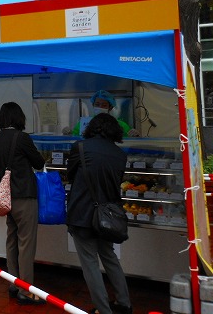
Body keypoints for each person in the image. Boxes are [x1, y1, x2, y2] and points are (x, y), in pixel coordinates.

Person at [66, 113, 132, 314]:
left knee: (90, 264)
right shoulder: (120, 155)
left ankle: (103, 310)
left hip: (82, 214)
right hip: (107, 216)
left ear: (92, 128)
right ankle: (124, 303)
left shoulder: (80, 147)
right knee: (109, 256)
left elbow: (70, 174)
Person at [0, 102, 46, 305]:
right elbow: (39, 162)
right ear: (19, 117)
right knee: (26, 243)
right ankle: (26, 290)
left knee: (12, 240)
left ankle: (13, 284)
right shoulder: (22, 138)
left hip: (7, 197)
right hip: (24, 195)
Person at [67, 90, 139, 137]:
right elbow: (75, 137)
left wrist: (134, 135)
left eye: (104, 105)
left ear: (110, 107)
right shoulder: (84, 123)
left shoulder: (120, 125)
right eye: (97, 104)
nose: (100, 107)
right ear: (93, 105)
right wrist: (68, 134)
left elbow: (128, 141)